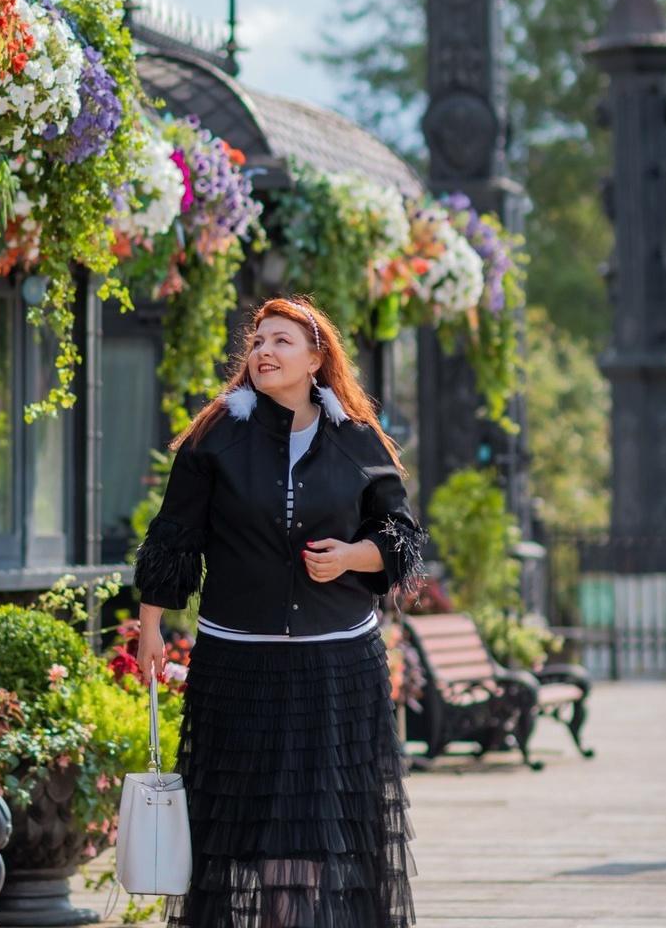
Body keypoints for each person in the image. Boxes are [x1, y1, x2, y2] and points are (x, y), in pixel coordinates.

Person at [134, 297, 423, 928]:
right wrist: (151, 624)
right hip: (238, 665)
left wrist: (353, 555)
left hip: (336, 666)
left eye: (282, 341)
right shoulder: (216, 435)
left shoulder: (358, 439)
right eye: (258, 340)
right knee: (239, 826)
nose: (264, 351)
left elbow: (402, 539)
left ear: (317, 359)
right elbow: (174, 534)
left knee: (315, 826)